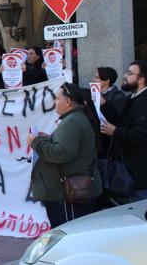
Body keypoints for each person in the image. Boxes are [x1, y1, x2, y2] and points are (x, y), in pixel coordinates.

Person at [27, 83, 103, 228]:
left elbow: (61, 154)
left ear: (68, 102)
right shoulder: (75, 119)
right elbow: (67, 147)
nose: (54, 102)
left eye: (56, 99)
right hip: (69, 192)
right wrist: (47, 139)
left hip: (68, 194)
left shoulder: (72, 121)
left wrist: (36, 142)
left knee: (68, 233)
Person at [100, 61, 147, 202]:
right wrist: (104, 104)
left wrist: (115, 131)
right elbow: (123, 123)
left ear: (141, 79)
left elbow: (142, 135)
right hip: (135, 176)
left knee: (144, 219)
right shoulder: (134, 99)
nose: (125, 76)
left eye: (130, 73)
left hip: (144, 179)